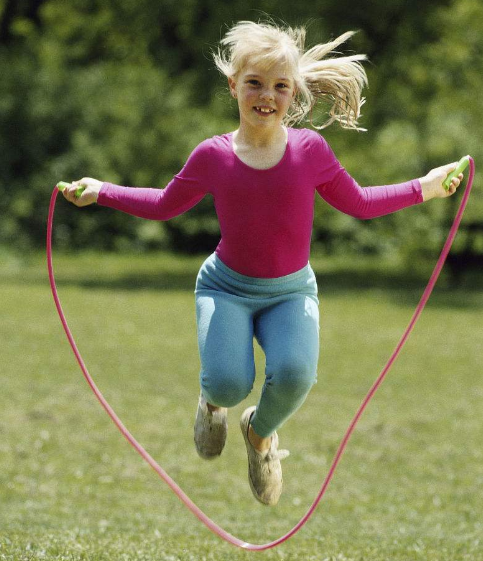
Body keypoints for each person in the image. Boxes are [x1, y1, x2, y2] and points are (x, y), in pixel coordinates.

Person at [62, 20, 464, 506]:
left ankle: (259, 435)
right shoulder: (212, 156)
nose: (266, 95)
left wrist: (427, 186)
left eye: (280, 86)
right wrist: (102, 190)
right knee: (228, 383)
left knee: (296, 375)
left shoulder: (310, 151)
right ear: (234, 86)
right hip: (225, 287)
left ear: (294, 93)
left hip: (291, 291)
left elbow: (359, 202)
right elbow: (165, 205)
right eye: (254, 83)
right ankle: (212, 403)